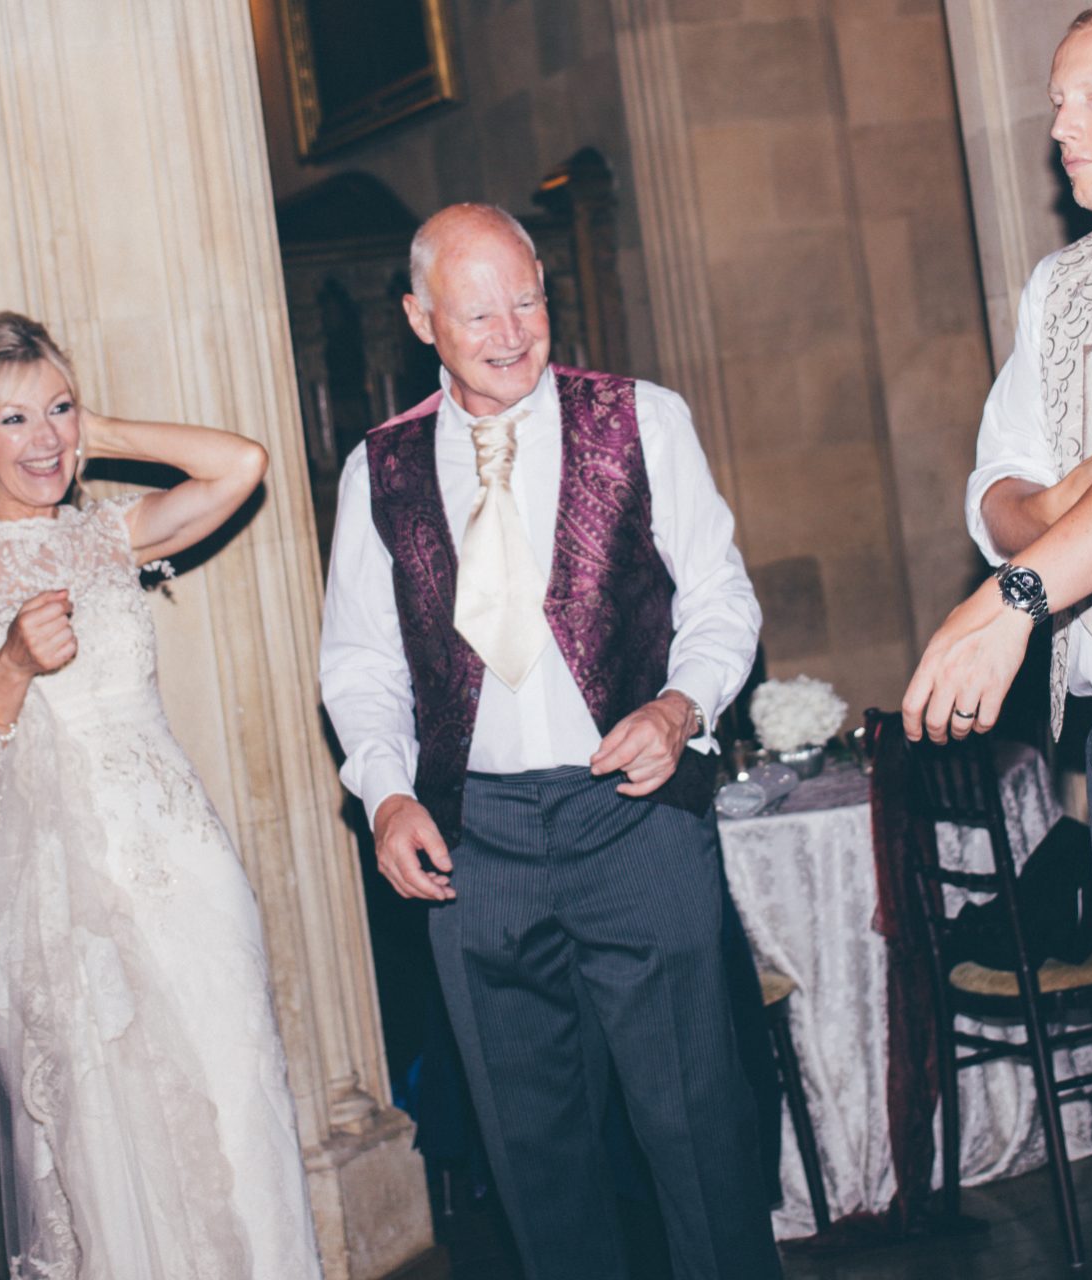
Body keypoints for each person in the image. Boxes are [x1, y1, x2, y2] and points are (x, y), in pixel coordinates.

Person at [319, 204, 778, 1279]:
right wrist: (387, 794)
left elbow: (720, 597)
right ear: (420, 318)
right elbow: (359, 661)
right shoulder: (376, 470)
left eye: (527, 298)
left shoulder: (641, 418)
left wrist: (681, 706)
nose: (512, 330)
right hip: (474, 846)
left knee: (696, 1131)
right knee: (534, 1156)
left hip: (634, 821)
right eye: (478, 310)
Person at [0, 311, 321, 1278]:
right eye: (14, 421)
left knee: (238, 1099)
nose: (45, 440)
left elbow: (240, 464)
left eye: (57, 410)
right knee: (109, 1140)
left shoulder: (110, 534)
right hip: (50, 897)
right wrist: (12, 667)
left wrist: (91, 431)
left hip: (182, 865)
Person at [905, 3, 1092, 1013]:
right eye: (1054, 103)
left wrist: (1018, 596)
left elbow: (1016, 548)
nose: (1059, 128)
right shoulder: (1062, 285)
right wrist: (1077, 498)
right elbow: (991, 495)